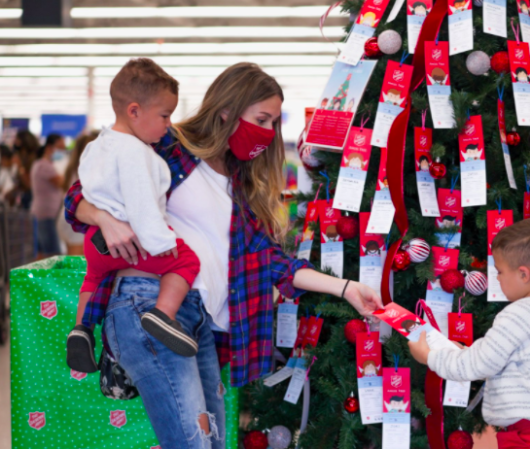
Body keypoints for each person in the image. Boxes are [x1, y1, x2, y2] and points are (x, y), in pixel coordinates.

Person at [64, 62, 383, 448]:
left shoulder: (241, 187)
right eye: (261, 119)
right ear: (227, 110)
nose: (267, 132)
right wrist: (103, 218)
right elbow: (83, 191)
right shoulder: (169, 146)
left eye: (273, 123)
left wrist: (346, 287)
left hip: (199, 324)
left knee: (212, 442)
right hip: (147, 300)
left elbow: (275, 263)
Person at [67, 59, 204, 375]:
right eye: (164, 116)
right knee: (186, 261)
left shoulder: (97, 146)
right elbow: (142, 204)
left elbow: (83, 189)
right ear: (134, 111)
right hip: (132, 239)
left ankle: (81, 329)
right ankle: (163, 315)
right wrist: (162, 241)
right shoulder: (136, 152)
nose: (168, 124)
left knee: (93, 277)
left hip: (96, 240)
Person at [408, 217, 530, 448]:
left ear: (524, 274)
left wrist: (429, 356)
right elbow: (512, 363)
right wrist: (467, 352)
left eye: (499, 271)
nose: (496, 278)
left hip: (529, 436)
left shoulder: (518, 314)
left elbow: (479, 364)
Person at [57, 133, 97, 255]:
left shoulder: (72, 169)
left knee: (73, 258)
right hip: (78, 219)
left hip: (67, 216)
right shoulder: (88, 170)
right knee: (78, 261)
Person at [31, 133, 66, 259]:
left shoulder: (41, 164)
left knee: (42, 253)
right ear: (49, 148)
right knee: (53, 254)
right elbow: (63, 183)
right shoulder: (44, 166)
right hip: (46, 215)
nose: (63, 151)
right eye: (60, 147)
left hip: (43, 214)